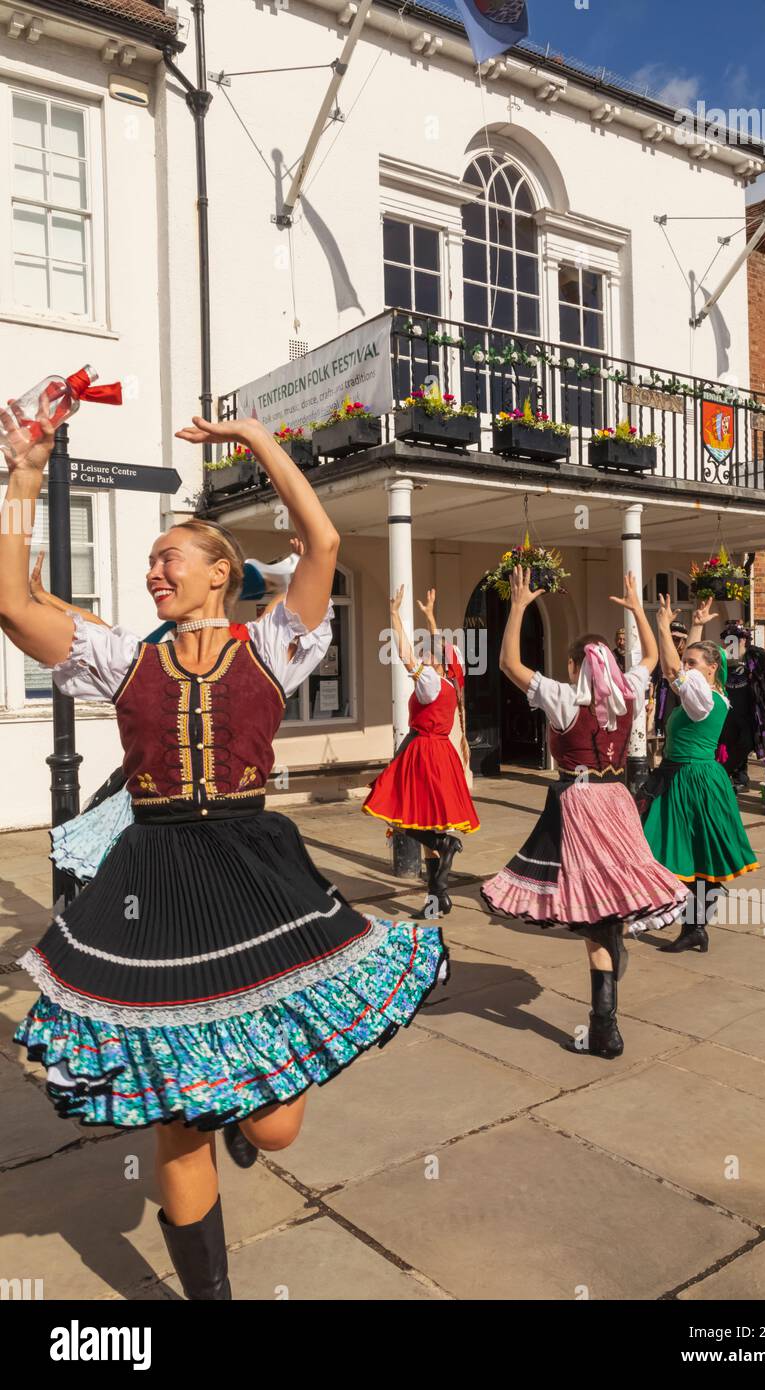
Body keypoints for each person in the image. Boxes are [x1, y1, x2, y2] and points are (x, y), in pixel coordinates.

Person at [0, 402, 447, 1301]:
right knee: (177, 1118)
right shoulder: (122, 654)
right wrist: (25, 472)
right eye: (151, 560)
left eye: (170, 556)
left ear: (218, 574)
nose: (153, 569)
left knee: (275, 1128)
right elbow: (10, 600)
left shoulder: (273, 644)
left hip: (253, 871)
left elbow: (319, 542)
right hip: (154, 877)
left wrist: (256, 441)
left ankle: (248, 1108)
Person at [481, 570, 688, 1060]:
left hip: (579, 802)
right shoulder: (627, 693)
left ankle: (604, 1027)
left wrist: (517, 606)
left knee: (596, 909)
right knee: (614, 898)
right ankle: (607, 1003)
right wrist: (639, 609)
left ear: (575, 664)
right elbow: (653, 659)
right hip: (619, 797)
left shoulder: (564, 697)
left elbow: (509, 663)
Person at [29, 545, 309, 885]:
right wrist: (45, 598)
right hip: (159, 796)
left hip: (217, 807)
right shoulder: (160, 648)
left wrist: (302, 572)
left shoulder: (250, 645)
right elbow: (99, 629)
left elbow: (290, 612)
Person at [639, 597, 759, 954]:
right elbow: (683, 671)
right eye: (687, 660)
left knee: (692, 854)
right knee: (685, 852)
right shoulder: (706, 691)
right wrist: (696, 625)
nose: (686, 666)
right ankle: (692, 925)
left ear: (711, 669)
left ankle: (691, 924)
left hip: (694, 779)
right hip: (685, 776)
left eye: (694, 662)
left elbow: (677, 673)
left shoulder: (704, 696)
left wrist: (662, 627)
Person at [363, 586, 479, 916]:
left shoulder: (430, 682)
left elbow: (404, 655)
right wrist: (430, 617)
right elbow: (443, 650)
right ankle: (437, 898)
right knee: (429, 822)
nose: (427, 654)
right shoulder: (452, 681)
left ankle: (446, 846)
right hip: (440, 753)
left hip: (423, 752)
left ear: (440, 664)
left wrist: (394, 615)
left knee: (401, 815)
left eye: (432, 654)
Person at [700, 616, 765, 790]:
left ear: (745, 639)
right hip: (727, 710)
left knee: (746, 743)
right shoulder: (720, 657)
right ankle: (739, 778)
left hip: (750, 710)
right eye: (728, 639)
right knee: (728, 743)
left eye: (737, 638)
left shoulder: (753, 654)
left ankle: (729, 773)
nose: (732, 643)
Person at [649, 616, 690, 747]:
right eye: (671, 638)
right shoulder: (661, 656)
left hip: (684, 691)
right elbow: (653, 679)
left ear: (684, 641)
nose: (674, 642)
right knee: (667, 724)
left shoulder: (689, 656)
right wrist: (650, 700)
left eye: (677, 639)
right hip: (666, 693)